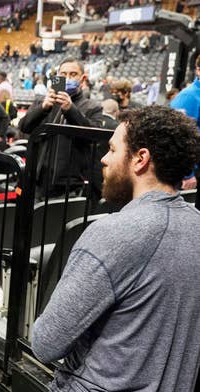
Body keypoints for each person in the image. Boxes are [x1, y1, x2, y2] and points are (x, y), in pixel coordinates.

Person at [31, 106, 200, 391]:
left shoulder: (112, 233)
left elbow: (46, 343)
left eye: (111, 149)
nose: (103, 159)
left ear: (140, 159)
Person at [19, 57, 106, 197]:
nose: (67, 78)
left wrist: (71, 110)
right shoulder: (43, 101)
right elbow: (24, 126)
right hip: (38, 180)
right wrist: (43, 108)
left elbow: (93, 137)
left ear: (82, 79)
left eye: (73, 74)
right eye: (63, 74)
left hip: (70, 185)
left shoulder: (92, 107)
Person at [170, 55, 200, 190]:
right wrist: (187, 173)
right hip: (193, 173)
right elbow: (176, 136)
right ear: (198, 70)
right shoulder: (188, 96)